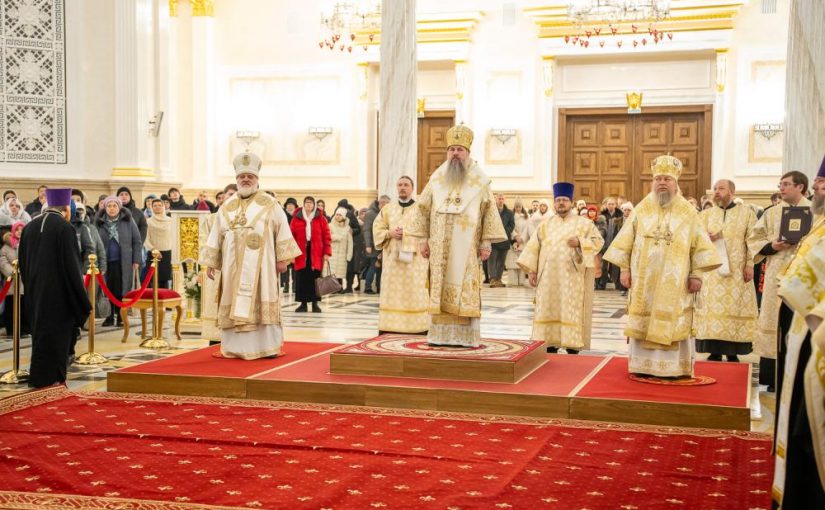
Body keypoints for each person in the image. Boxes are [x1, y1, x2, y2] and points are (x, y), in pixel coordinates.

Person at [603, 155, 721, 378]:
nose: (662, 183)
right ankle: (642, 366)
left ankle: (673, 368)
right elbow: (625, 240)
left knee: (673, 320)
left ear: (676, 183)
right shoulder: (641, 209)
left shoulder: (688, 212)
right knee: (644, 319)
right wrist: (625, 270)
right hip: (643, 281)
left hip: (676, 283)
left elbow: (700, 246)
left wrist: (696, 274)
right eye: (658, 179)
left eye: (667, 178)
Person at [405, 124, 506, 347]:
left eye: (460, 149)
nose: (455, 154)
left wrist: (486, 242)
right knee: (438, 288)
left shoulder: (480, 180)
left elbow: (488, 211)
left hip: (468, 249)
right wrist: (423, 240)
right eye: (451, 149)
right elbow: (422, 209)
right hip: (439, 248)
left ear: (468, 153)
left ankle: (465, 337)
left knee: (465, 288)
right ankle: (440, 336)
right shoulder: (437, 179)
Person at [200, 153, 301, 359]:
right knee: (232, 299)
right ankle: (234, 348)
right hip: (231, 267)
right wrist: (211, 262)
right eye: (242, 176)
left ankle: (266, 347)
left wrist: (283, 259)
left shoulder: (269, 203)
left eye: (250, 176)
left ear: (257, 179)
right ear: (236, 180)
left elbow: (282, 230)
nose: (245, 179)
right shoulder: (226, 207)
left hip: (262, 268)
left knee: (263, 298)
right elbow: (215, 235)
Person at [773, 164, 825, 509]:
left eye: (822, 182)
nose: (818, 187)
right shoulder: (818, 225)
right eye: (819, 182)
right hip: (804, 334)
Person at [518, 182, 604, 354]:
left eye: (564, 200)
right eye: (558, 200)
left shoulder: (584, 224)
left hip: (572, 279)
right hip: (547, 279)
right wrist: (532, 271)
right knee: (548, 309)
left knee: (569, 310)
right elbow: (534, 247)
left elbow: (598, 241)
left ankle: (572, 347)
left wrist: (580, 242)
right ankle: (549, 345)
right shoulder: (545, 224)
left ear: (571, 202)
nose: (561, 203)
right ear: (554, 203)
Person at [18, 189, 91, 387]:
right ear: (67, 209)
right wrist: (82, 300)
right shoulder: (65, 229)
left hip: (35, 292)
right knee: (58, 339)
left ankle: (39, 377)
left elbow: (22, 264)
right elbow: (72, 266)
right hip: (59, 295)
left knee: (40, 336)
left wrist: (32, 288)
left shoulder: (29, 227)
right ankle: (54, 379)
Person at [749, 171, 811, 391]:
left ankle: (795, 378)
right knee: (773, 322)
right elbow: (754, 239)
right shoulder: (772, 213)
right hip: (776, 273)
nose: (781, 188)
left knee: (797, 324)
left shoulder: (817, 213)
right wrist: (771, 246)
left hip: (804, 277)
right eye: (780, 184)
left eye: (786, 184)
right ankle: (772, 377)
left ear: (800, 187)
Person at [694, 179, 758, 362]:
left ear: (732, 191)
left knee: (734, 309)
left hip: (737, 273)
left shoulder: (746, 214)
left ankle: (732, 352)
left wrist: (749, 265)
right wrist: (706, 239)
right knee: (711, 310)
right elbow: (695, 240)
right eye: (714, 189)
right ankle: (713, 350)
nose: (716, 192)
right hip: (711, 273)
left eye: (721, 188)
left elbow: (752, 242)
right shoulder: (704, 215)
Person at [373, 176, 429, 335]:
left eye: (406, 185)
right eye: (399, 185)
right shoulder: (388, 209)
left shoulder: (421, 209)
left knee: (415, 292)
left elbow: (429, 231)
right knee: (392, 293)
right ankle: (390, 327)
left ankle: (417, 328)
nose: (402, 187)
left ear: (412, 188)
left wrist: (409, 234)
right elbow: (377, 229)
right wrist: (389, 233)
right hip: (393, 261)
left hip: (416, 262)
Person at [95, 196, 143, 327]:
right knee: (108, 288)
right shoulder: (99, 222)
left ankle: (121, 316)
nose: (111, 209)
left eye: (114, 206)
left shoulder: (128, 220)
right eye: (109, 206)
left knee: (121, 289)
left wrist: (136, 259)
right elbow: (94, 243)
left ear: (119, 207)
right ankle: (109, 316)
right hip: (105, 262)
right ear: (105, 208)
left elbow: (137, 241)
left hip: (124, 261)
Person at [290, 196, 331, 313]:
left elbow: (326, 236)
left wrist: (327, 253)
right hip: (300, 253)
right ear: (303, 204)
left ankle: (315, 304)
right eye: (306, 203)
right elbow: (291, 237)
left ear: (314, 205)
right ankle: (302, 304)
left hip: (316, 252)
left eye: (311, 203)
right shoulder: (296, 218)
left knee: (315, 278)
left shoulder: (321, 218)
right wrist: (291, 254)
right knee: (301, 277)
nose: (308, 205)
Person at [0, 222, 31, 338]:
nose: (19, 232)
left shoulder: (26, 244)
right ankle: (11, 330)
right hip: (11, 283)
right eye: (17, 229)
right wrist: (13, 272)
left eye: (21, 229)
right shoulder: (6, 247)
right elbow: (2, 262)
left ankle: (24, 329)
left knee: (23, 306)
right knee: (11, 306)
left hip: (24, 282)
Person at [362, 196, 389, 294]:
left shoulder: (384, 213)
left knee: (380, 268)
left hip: (382, 244)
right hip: (373, 245)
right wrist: (368, 245)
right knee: (373, 267)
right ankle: (367, 287)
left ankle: (379, 287)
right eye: (385, 204)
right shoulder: (370, 214)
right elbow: (367, 230)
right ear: (380, 203)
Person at [145, 199, 173, 288]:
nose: (158, 207)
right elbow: (145, 238)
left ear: (163, 207)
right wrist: (153, 250)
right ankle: (153, 301)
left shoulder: (171, 220)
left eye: (160, 205)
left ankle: (163, 301)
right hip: (153, 254)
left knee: (165, 282)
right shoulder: (148, 221)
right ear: (151, 207)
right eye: (155, 205)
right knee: (152, 281)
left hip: (168, 254)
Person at [596, 197, 623, 291]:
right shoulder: (602, 216)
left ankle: (617, 284)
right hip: (605, 243)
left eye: (612, 204)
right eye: (609, 204)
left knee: (615, 266)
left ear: (615, 205)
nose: (610, 205)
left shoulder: (620, 215)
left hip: (616, 244)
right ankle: (602, 284)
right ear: (606, 205)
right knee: (603, 266)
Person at [488, 193, 514, 288]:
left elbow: (512, 225)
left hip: (505, 241)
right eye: (499, 199)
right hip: (494, 240)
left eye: (502, 199)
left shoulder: (510, 213)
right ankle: (492, 279)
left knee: (501, 262)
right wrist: (496, 233)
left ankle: (498, 279)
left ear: (505, 200)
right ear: (496, 199)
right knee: (492, 261)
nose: (500, 200)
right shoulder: (491, 211)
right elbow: (489, 223)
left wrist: (503, 233)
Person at [505, 198, 529, 287]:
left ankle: (521, 281)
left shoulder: (526, 217)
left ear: (522, 207)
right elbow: (510, 227)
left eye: (519, 206)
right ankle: (512, 281)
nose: (518, 208)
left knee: (521, 262)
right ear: (514, 207)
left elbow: (528, 228)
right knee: (512, 262)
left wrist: (522, 238)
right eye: (517, 207)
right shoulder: (511, 216)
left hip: (523, 241)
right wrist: (515, 236)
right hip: (513, 241)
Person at [328, 207, 353, 290]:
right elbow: (326, 237)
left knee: (340, 272)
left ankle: (340, 287)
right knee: (332, 272)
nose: (338, 216)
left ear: (344, 217)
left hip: (343, 254)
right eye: (337, 215)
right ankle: (333, 288)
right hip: (332, 253)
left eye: (340, 215)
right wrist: (336, 237)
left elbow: (350, 243)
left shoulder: (347, 228)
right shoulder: (330, 226)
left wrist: (349, 255)